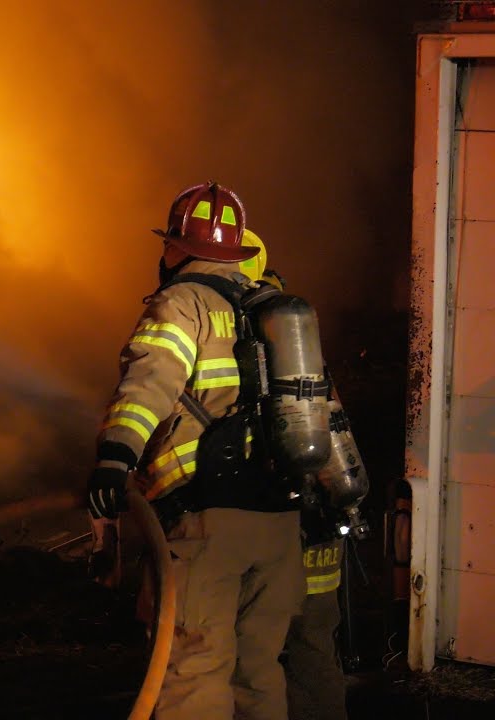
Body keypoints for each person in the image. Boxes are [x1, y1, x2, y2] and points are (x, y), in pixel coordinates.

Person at [88, 182, 305, 720]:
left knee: (194, 675)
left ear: (176, 247)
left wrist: (116, 458)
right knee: (258, 675)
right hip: (279, 523)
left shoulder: (183, 303)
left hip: (208, 522)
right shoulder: (273, 309)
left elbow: (149, 384)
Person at [237, 244, 350, 720]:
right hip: (322, 522)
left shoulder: (238, 340)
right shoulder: (301, 353)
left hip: (272, 524)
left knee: (253, 651)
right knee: (315, 646)